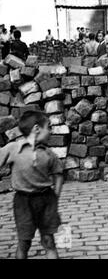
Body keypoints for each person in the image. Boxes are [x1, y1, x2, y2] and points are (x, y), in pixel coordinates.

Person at [0, 111, 64, 259]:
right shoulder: (13, 149)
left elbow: (59, 174)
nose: (51, 131)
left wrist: (56, 196)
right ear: (36, 128)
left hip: (46, 200)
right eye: (48, 127)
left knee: (49, 241)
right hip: (23, 202)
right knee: (24, 242)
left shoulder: (49, 153)